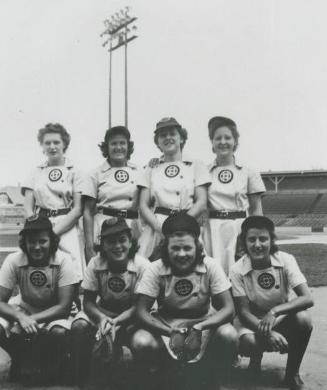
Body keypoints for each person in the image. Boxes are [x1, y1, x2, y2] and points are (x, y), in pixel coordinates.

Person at [134, 212, 237, 390]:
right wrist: (168, 332)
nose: (182, 254)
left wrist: (200, 327)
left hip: (202, 321)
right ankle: (162, 371)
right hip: (167, 322)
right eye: (175, 248)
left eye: (187, 248)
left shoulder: (211, 265)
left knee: (228, 334)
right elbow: (141, 311)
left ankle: (210, 373)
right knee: (141, 341)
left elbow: (229, 309)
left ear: (197, 246)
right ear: (166, 247)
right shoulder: (155, 267)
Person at [229, 216, 314, 390]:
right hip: (252, 320)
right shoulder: (237, 269)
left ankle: (292, 375)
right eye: (252, 239)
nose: (257, 244)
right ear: (244, 241)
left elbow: (307, 298)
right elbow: (243, 312)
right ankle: (255, 362)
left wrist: (274, 312)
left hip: (280, 315)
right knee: (250, 343)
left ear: (272, 240)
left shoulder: (285, 259)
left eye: (263, 239)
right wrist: (267, 332)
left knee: (304, 319)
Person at [70, 217, 148, 387]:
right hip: (104, 311)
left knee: (141, 341)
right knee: (78, 326)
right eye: (110, 241)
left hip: (133, 315)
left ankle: (141, 374)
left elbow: (140, 306)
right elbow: (88, 302)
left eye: (122, 240)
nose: (117, 246)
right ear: (103, 245)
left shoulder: (142, 265)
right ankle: (82, 373)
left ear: (130, 241)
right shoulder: (95, 263)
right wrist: (101, 319)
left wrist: (117, 322)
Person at [0, 216, 78, 383]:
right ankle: (20, 359)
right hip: (26, 307)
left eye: (42, 241)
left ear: (52, 240)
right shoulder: (14, 259)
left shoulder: (64, 260)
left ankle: (53, 360)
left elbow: (64, 307)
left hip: (55, 311)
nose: (36, 247)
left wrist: (29, 320)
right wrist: (20, 317)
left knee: (58, 334)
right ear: (24, 242)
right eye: (31, 241)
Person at [137, 117, 211, 258]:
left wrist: (180, 225)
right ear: (158, 142)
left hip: (187, 224)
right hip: (156, 227)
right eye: (163, 135)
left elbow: (201, 202)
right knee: (145, 268)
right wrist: (160, 228)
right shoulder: (151, 167)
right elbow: (143, 205)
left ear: (181, 138)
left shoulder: (196, 165)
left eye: (172, 134)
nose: (168, 138)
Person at [22, 122, 84, 282]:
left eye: (56, 142)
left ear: (64, 144)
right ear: (42, 146)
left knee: (71, 265)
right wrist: (38, 229)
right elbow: (28, 208)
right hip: (40, 224)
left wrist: (54, 232)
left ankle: (72, 303)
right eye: (47, 143)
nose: (52, 146)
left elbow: (78, 209)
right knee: (39, 265)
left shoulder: (75, 170)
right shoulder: (35, 171)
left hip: (66, 223)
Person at [203, 116, 265, 274]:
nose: (223, 142)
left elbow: (256, 209)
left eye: (227, 137)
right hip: (213, 230)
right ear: (212, 142)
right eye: (218, 138)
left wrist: (254, 235)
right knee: (215, 275)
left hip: (239, 228)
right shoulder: (204, 171)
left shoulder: (248, 171)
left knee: (240, 274)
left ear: (235, 141)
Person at [82, 126, 140, 264]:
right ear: (106, 147)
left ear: (128, 146)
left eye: (122, 143)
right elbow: (88, 211)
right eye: (113, 143)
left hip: (131, 226)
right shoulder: (95, 174)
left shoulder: (140, 171)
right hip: (104, 225)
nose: (118, 147)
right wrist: (89, 246)